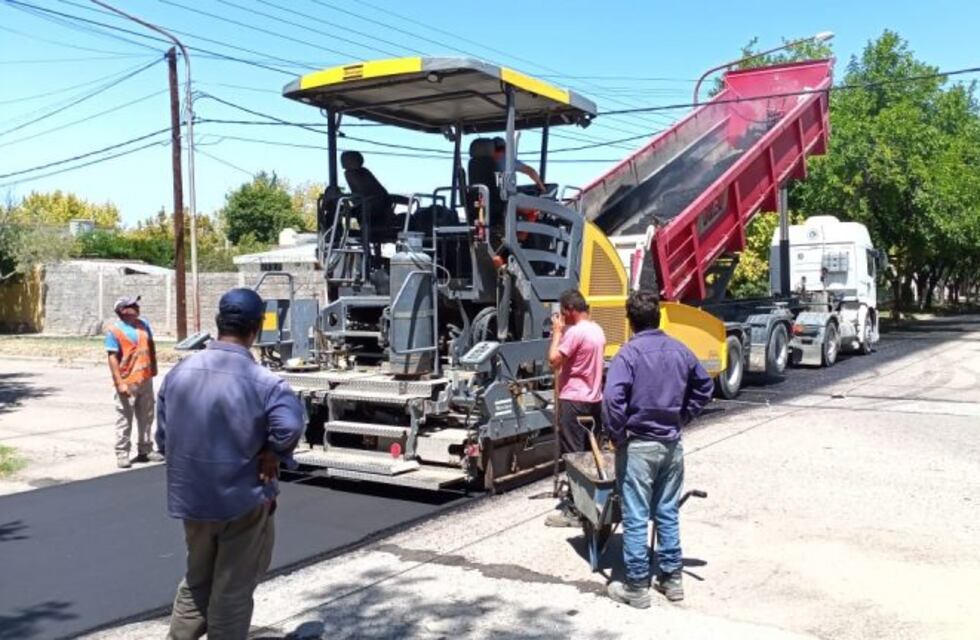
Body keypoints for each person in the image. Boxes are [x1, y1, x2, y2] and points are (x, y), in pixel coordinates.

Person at [156, 288, 305, 639]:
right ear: (255, 329)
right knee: (232, 590)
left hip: (192, 500)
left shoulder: (179, 373)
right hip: (243, 500)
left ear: (218, 324)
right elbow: (291, 425)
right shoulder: (265, 381)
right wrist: (272, 452)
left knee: (197, 580)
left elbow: (164, 438)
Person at [603, 291, 714, 608]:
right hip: (671, 444)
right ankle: (672, 579)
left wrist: (617, 433)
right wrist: (683, 415)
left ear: (630, 321)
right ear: (659, 317)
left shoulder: (629, 355)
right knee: (667, 511)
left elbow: (612, 399)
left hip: (639, 445)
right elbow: (704, 386)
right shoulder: (680, 350)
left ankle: (637, 586)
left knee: (636, 515)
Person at [546, 289, 606, 527]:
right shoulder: (597, 330)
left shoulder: (575, 333)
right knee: (590, 453)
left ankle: (575, 508)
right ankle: (591, 500)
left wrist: (557, 334)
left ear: (570, 310)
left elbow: (553, 360)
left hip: (573, 399)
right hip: (594, 399)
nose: (562, 317)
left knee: (573, 456)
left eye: (563, 313)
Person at [105, 295, 162, 469]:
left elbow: (150, 347)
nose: (137, 307)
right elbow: (112, 358)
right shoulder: (114, 331)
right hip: (127, 381)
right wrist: (120, 383)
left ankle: (145, 450)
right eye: (132, 305)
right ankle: (122, 453)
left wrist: (153, 369)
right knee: (125, 418)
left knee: (146, 416)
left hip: (145, 378)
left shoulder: (143, 325)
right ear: (123, 310)